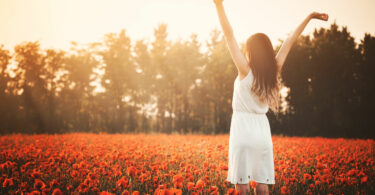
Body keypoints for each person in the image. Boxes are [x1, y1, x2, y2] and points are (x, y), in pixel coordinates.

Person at [212, 0, 328, 194]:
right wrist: (310, 17)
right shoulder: (274, 70)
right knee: (263, 185)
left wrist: (218, 6)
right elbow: (290, 40)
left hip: (243, 130)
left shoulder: (244, 70)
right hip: (262, 132)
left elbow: (229, 35)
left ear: (250, 51)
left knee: (242, 186)